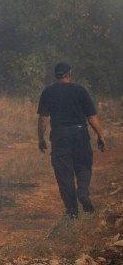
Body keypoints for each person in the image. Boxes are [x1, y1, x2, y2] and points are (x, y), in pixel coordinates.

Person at [37, 62, 107, 219]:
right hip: (80, 133)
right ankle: (83, 192)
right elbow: (91, 117)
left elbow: (43, 119)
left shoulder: (48, 92)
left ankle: (72, 212)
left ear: (55, 75)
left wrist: (41, 138)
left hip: (59, 135)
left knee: (64, 174)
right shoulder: (80, 90)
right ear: (69, 74)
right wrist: (100, 136)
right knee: (84, 167)